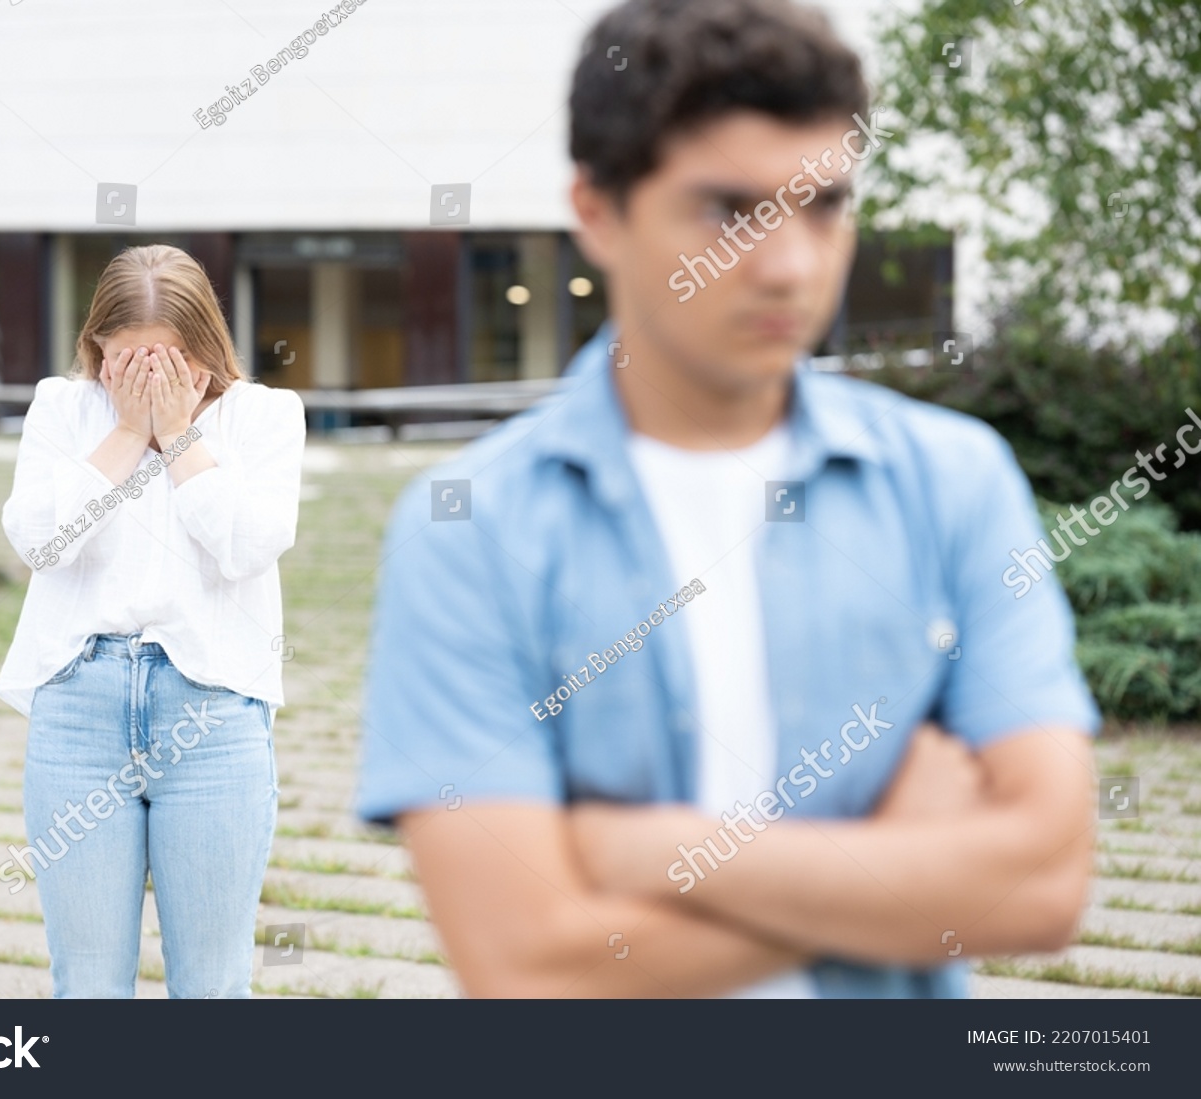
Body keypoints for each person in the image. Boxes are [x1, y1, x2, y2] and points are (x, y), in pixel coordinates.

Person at [355, 0, 1099, 997]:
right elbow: (527, 967)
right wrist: (895, 860)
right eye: (731, 209)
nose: (791, 264)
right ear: (597, 211)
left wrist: (662, 852)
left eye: (824, 203)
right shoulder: (473, 529)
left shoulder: (953, 480)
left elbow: (1045, 887)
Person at [0, 244, 305, 998]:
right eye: (125, 358)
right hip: (79, 708)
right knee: (90, 985)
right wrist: (129, 433)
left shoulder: (264, 414)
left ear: (204, 347)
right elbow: (41, 540)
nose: (144, 376)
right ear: (95, 345)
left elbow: (246, 545)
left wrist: (179, 435)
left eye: (166, 359)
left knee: (211, 985)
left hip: (213, 715)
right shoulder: (63, 408)